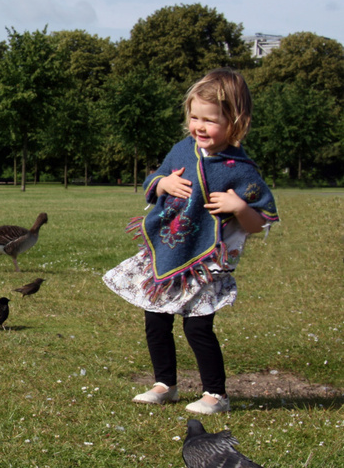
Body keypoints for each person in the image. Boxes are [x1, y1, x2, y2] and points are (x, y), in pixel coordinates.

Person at [102, 68, 279, 415]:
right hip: (168, 250)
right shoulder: (183, 150)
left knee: (198, 325)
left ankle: (216, 394)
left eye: (210, 120)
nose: (199, 127)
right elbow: (153, 180)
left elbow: (260, 222)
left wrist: (239, 207)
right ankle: (164, 384)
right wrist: (163, 184)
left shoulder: (240, 169)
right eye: (194, 117)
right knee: (155, 319)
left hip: (204, 262)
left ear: (236, 122)